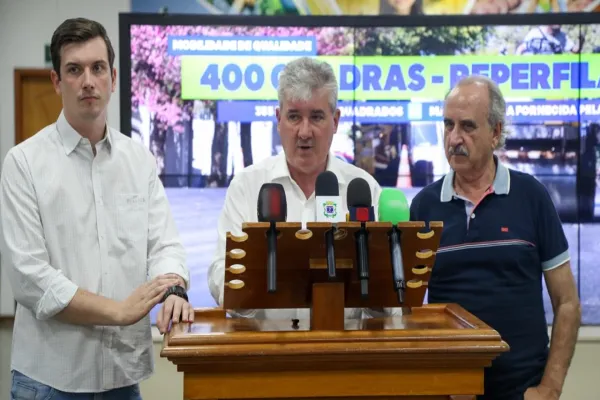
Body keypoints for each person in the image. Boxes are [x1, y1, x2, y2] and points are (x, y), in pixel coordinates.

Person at [0, 18, 193, 399]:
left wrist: (173, 289)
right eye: (74, 70)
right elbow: (30, 277)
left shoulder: (139, 161)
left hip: (122, 379)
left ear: (113, 77)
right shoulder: (23, 163)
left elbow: (165, 245)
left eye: (98, 68)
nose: (88, 81)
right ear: (57, 81)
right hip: (49, 380)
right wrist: (117, 312)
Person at [409, 75, 580, 400]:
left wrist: (550, 388)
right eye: (448, 125)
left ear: (496, 132)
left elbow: (567, 302)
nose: (454, 138)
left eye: (467, 126)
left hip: (522, 390)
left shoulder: (531, 196)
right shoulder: (423, 206)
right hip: (450, 391)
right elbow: (407, 310)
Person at [207, 56, 381, 320]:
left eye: (317, 117)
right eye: (294, 117)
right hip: (266, 342)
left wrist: (380, 296)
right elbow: (221, 269)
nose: (304, 132)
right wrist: (244, 291)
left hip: (343, 343)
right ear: (279, 119)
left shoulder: (363, 190)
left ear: (335, 121)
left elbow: (384, 288)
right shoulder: (247, 186)